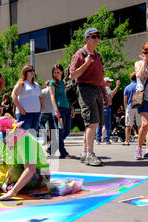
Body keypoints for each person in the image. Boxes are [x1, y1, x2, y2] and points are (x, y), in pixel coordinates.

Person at [0, 115, 50, 201]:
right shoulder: (4, 141)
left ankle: (11, 186)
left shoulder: (25, 140)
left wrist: (13, 192)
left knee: (14, 170)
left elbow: (30, 168)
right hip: (16, 169)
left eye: (4, 139)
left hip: (39, 173)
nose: (3, 142)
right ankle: (9, 184)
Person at [69, 27, 108, 166]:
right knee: (92, 122)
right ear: (86, 39)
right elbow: (72, 75)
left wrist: (105, 94)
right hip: (85, 89)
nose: (96, 39)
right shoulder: (80, 54)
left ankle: (85, 153)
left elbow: (101, 77)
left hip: (97, 90)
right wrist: (86, 64)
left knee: (92, 123)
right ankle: (90, 154)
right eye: (93, 36)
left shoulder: (98, 56)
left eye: (97, 36)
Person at [48, 64, 74, 158]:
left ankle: (51, 148)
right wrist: (56, 110)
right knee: (61, 131)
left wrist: (72, 108)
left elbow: (67, 97)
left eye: (58, 72)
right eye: (54, 72)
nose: (56, 74)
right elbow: (52, 97)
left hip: (67, 109)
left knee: (66, 131)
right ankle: (63, 153)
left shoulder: (64, 83)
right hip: (59, 110)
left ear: (62, 72)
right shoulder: (52, 83)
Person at [12, 65, 45, 134]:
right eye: (30, 70)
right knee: (21, 135)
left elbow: (41, 97)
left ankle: (27, 145)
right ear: (25, 72)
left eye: (33, 70)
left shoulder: (36, 84)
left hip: (36, 113)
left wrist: (43, 106)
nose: (32, 72)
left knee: (32, 136)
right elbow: (14, 95)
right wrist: (20, 108)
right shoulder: (22, 83)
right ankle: (10, 144)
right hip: (25, 114)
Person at [96, 77, 120, 144]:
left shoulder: (99, 88)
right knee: (107, 124)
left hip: (100, 107)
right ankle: (107, 139)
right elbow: (112, 94)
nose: (110, 83)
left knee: (99, 124)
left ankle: (98, 139)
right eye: (109, 82)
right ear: (105, 82)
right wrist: (117, 86)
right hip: (106, 107)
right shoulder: (106, 88)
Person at [123, 72, 141, 146]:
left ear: (130, 78)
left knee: (128, 125)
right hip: (138, 106)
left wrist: (125, 107)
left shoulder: (127, 87)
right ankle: (141, 141)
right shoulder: (140, 86)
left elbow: (125, 99)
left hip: (129, 107)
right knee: (140, 125)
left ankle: (127, 141)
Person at [40, 80, 56, 147]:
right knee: (52, 126)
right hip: (51, 111)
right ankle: (53, 139)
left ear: (46, 85)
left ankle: (46, 138)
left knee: (41, 124)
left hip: (44, 111)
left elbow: (40, 100)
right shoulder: (53, 91)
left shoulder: (43, 91)